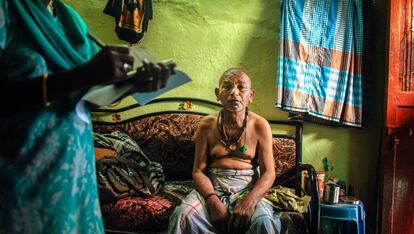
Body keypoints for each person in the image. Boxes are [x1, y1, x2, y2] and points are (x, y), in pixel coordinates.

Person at [0, 0, 172, 233]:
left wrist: (134, 85)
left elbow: (89, 96)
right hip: (23, 168)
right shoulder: (7, 10)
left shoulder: (69, 19)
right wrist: (85, 74)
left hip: (74, 169)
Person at [168, 68, 281, 234]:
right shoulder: (206, 125)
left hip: (248, 187)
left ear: (251, 95)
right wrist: (212, 200)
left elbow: (269, 173)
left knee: (264, 223)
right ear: (217, 93)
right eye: (227, 87)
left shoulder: (260, 125)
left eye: (241, 87)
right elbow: (198, 171)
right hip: (213, 185)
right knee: (183, 216)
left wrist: (249, 202)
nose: (234, 93)